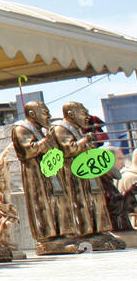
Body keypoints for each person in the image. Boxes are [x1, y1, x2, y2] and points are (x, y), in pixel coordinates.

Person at [12, 101, 77, 241]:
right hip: (35, 174)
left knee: (58, 201)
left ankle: (63, 233)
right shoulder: (21, 128)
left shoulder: (42, 130)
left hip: (50, 173)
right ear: (32, 113)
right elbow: (27, 151)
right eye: (45, 113)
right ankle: (47, 237)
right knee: (41, 204)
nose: (49, 116)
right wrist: (44, 142)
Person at [52, 102, 115, 236]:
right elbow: (69, 149)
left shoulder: (76, 128)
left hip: (86, 173)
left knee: (93, 199)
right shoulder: (61, 128)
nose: (87, 117)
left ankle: (97, 230)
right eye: (84, 113)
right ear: (71, 114)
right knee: (79, 202)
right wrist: (84, 140)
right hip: (74, 174)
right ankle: (84, 232)